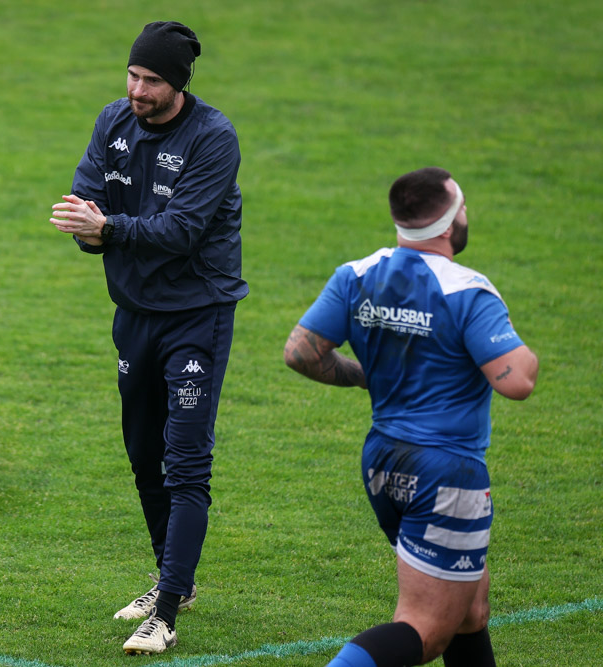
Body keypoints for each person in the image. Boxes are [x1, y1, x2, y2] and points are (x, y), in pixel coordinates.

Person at [283, 167, 539, 666]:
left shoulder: (357, 274)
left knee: (471, 610)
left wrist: (364, 376)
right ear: (448, 222)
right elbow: (517, 382)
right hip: (448, 474)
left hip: (383, 461)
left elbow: (301, 353)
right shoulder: (468, 290)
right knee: (425, 628)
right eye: (462, 206)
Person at [49, 20, 248, 655]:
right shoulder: (114, 121)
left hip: (198, 315)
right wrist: (87, 227)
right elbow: (86, 197)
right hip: (134, 313)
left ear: (179, 84)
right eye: (133, 75)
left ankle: (164, 609)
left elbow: (182, 229)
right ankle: (174, 579)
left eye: (152, 80)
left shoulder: (213, 138)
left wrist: (105, 229)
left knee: (186, 459)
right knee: (141, 451)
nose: (138, 88)